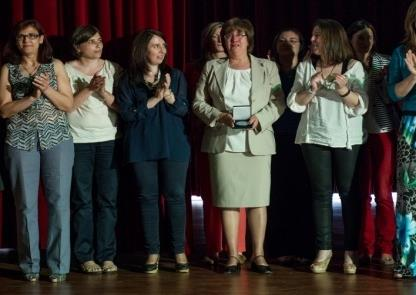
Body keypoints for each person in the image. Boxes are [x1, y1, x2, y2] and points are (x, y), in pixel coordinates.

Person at [193, 17, 285, 274]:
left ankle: (258, 255)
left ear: (249, 39)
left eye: (241, 34)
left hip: (257, 139)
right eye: (230, 34)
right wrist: (218, 116)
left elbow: (279, 101)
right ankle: (233, 255)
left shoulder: (267, 66)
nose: (235, 38)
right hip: (222, 141)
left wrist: (261, 118)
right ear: (223, 40)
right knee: (227, 200)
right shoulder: (212, 66)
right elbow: (198, 103)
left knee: (258, 201)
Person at [287, 18, 368, 275]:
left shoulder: (352, 66)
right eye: (312, 36)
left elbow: (361, 103)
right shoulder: (305, 67)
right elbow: (294, 103)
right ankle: (324, 249)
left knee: (347, 193)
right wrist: (311, 89)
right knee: (320, 194)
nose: (311, 40)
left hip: (346, 139)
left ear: (331, 38)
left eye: (317, 36)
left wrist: (344, 91)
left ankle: (350, 250)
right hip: (314, 136)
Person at [0, 19, 74, 282]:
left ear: (42, 39)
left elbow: (68, 105)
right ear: (16, 41)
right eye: (22, 36)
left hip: (57, 140)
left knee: (59, 204)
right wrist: (31, 97)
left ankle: (58, 267)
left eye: (32, 35)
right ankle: (30, 266)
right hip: (20, 141)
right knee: (26, 206)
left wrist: (47, 89)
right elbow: (4, 110)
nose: (27, 41)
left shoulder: (55, 66)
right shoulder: (8, 70)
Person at [116, 29, 190, 273]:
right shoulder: (128, 79)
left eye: (164, 46)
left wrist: (168, 97)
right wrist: (155, 99)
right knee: (147, 198)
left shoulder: (175, 76)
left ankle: (179, 251)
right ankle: (153, 252)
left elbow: (182, 109)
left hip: (173, 145)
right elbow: (127, 114)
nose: (162, 50)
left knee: (175, 197)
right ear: (142, 49)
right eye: (156, 45)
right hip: (141, 145)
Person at [185, 21, 247, 265]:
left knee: (239, 192)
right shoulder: (195, 68)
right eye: (215, 34)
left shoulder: (246, 65)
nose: (221, 38)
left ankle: (238, 247)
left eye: (226, 34)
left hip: (239, 135)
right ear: (206, 39)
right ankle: (214, 246)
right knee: (213, 193)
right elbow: (194, 103)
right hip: (207, 134)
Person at [65, 25, 122, 274]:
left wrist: (102, 91)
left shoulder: (113, 68)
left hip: (109, 140)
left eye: (99, 40)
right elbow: (66, 107)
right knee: (82, 201)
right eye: (91, 41)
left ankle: (107, 256)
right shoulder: (66, 69)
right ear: (78, 46)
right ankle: (85, 256)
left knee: (107, 200)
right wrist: (88, 89)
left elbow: (123, 106)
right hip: (78, 141)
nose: (98, 45)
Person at [347, 20, 396, 266]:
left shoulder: (384, 62)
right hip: (354, 133)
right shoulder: (346, 65)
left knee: (384, 191)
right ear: (351, 40)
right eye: (360, 37)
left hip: (381, 130)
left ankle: (386, 246)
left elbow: (392, 97)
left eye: (368, 37)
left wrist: (383, 81)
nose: (365, 42)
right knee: (362, 192)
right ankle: (364, 246)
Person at [267, 28, 314, 264]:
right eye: (282, 40)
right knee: (278, 194)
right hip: (275, 138)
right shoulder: (268, 70)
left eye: (293, 40)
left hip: (304, 138)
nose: (287, 44)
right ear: (275, 47)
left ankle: (304, 249)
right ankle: (279, 248)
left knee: (304, 194)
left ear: (302, 46)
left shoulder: (307, 72)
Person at [387, 0, 416, 279]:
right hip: (412, 124)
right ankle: (408, 261)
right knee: (409, 195)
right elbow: (393, 94)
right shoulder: (401, 53)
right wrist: (415, 76)